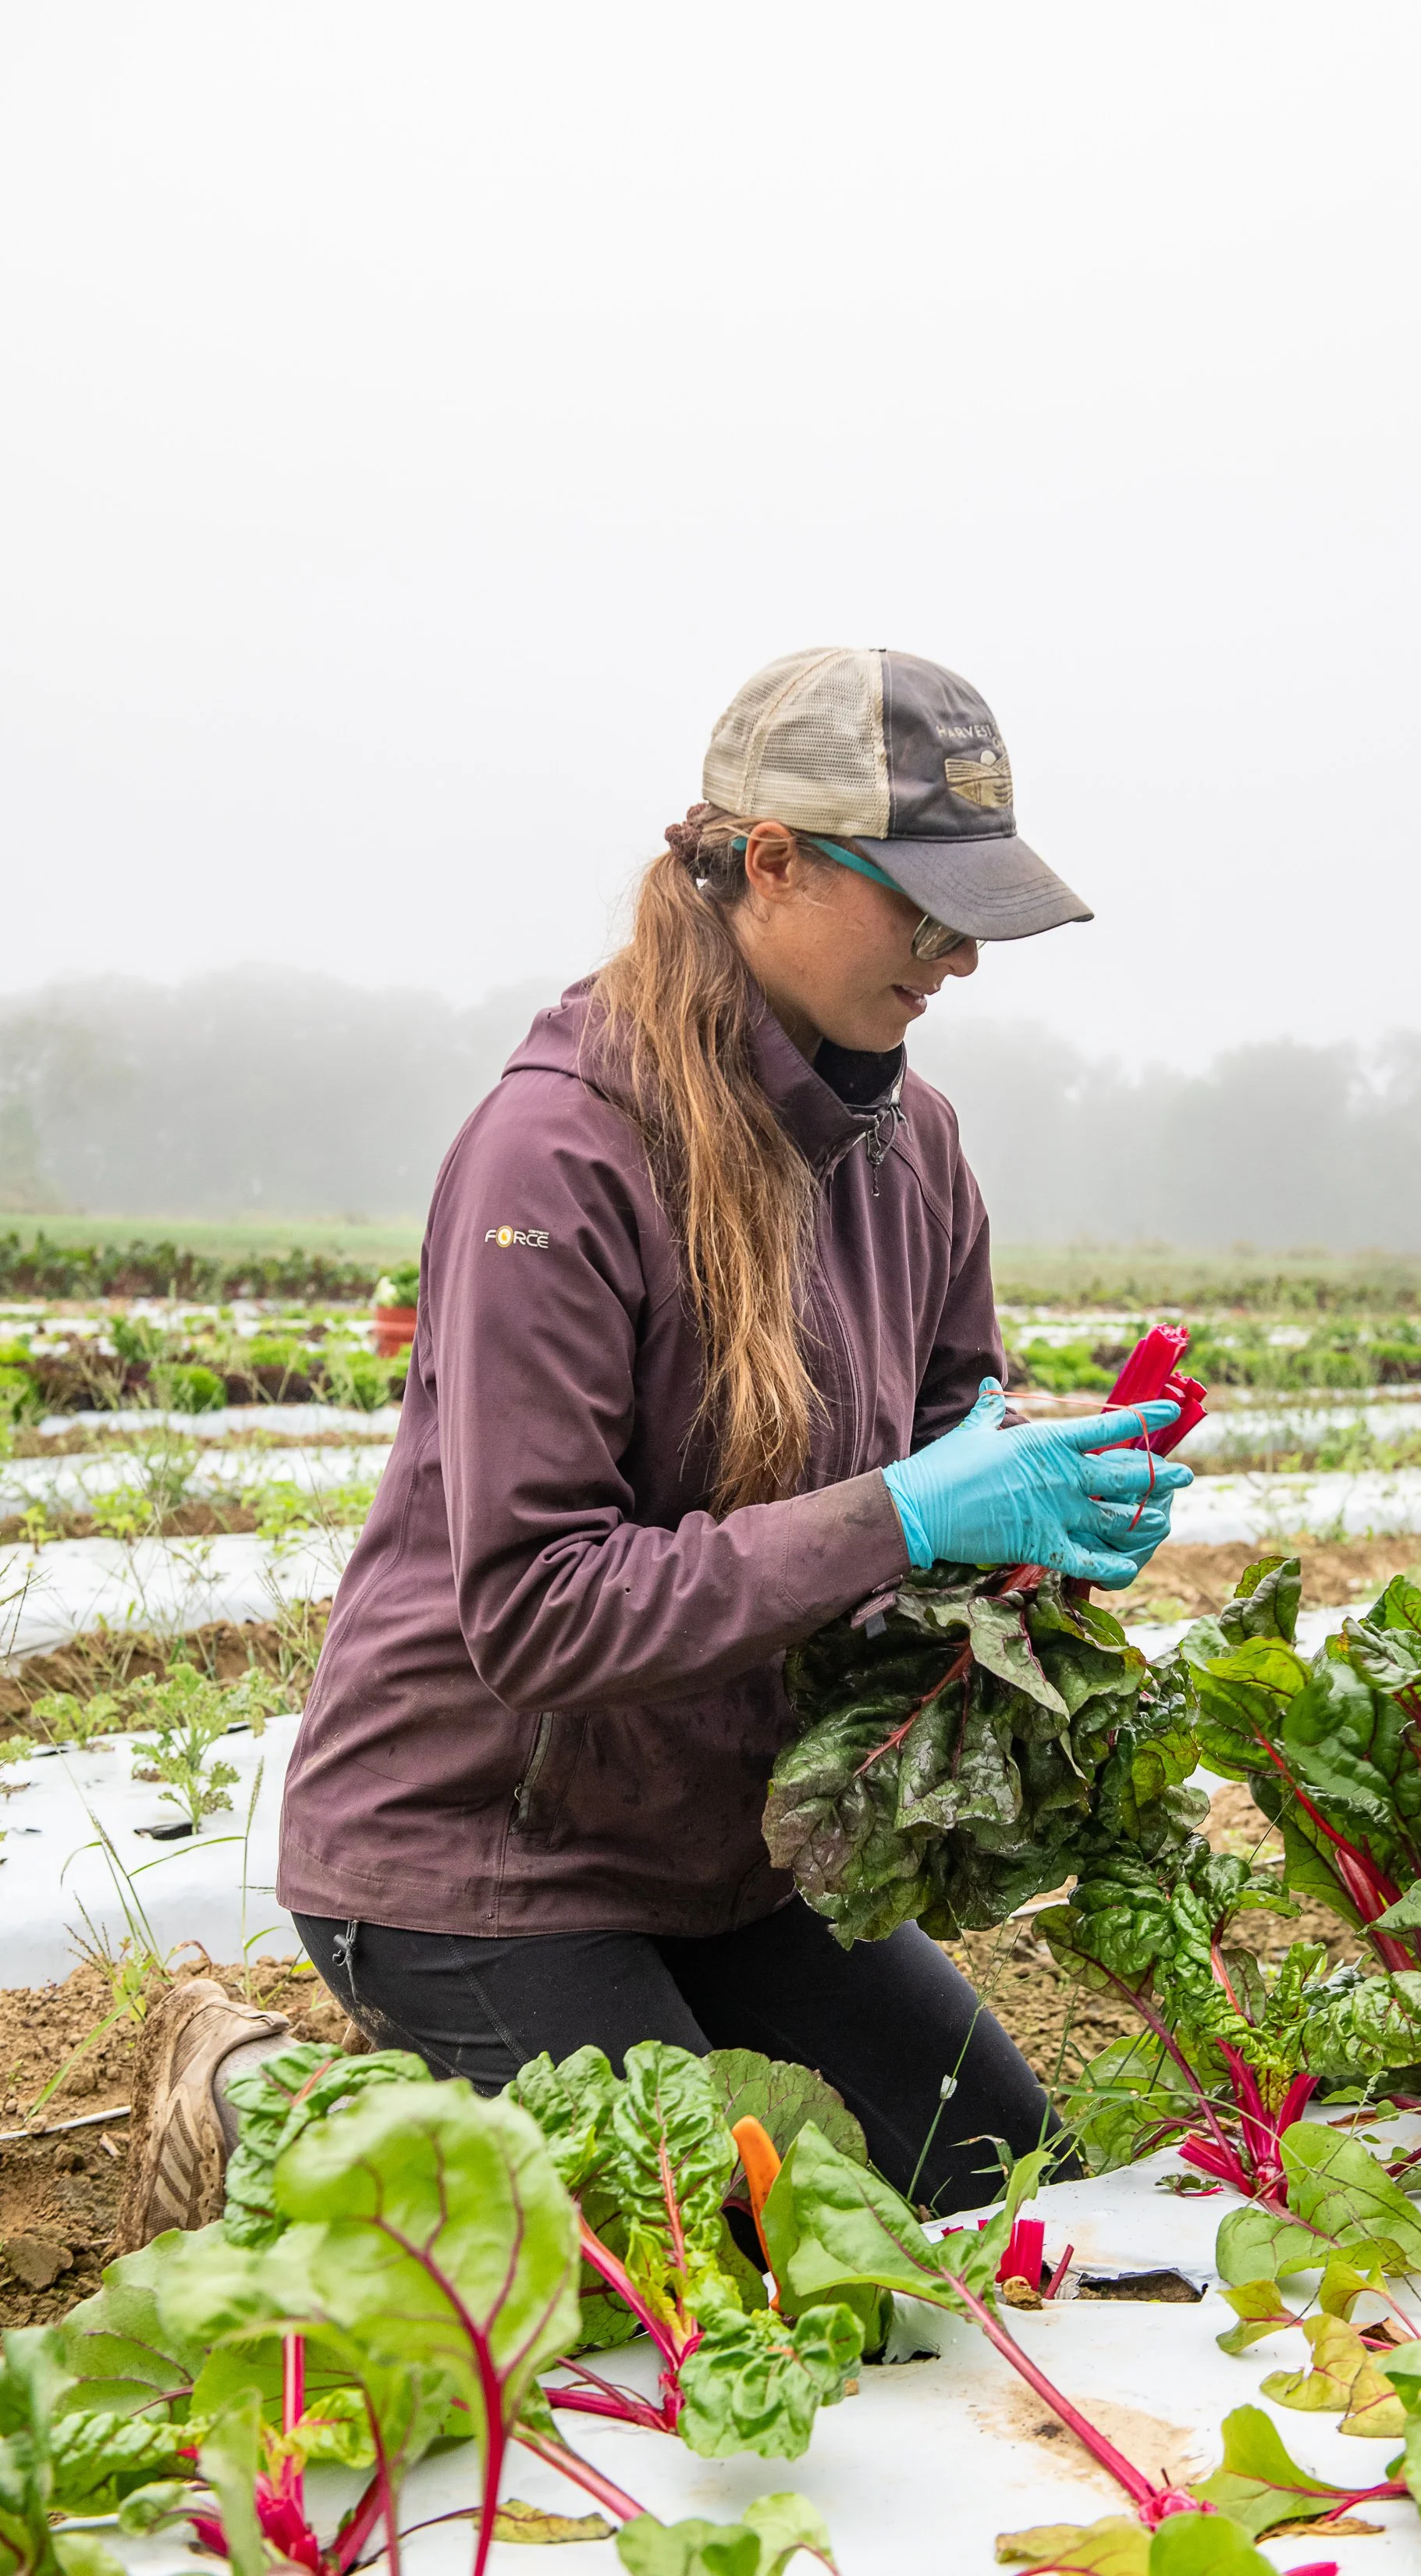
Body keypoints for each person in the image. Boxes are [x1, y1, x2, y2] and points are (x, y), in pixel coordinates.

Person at [118, 646, 1190, 2247]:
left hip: (727, 1852)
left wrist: (1032, 1530)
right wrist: (899, 1512)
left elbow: (942, 1460)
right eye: (925, 908)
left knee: (999, 2193)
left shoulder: (916, 1149)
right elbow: (537, 1612)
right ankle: (262, 2106)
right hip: (478, 1852)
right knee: (737, 2270)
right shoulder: (556, 1152)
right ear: (770, 863)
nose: (959, 958)